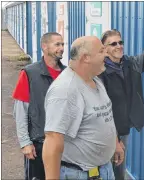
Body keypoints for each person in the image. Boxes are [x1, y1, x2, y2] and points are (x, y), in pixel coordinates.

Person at [98, 20, 144, 179]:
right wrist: (113, 138)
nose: (119, 46)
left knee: (119, 167)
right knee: (104, 169)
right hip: (105, 130)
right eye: (113, 44)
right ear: (104, 49)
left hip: (124, 127)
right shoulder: (99, 72)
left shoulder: (130, 63)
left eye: (120, 42)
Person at [42, 36, 121, 180]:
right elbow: (53, 140)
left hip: (103, 170)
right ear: (86, 58)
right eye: (101, 51)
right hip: (80, 174)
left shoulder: (95, 79)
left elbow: (104, 115)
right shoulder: (65, 90)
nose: (106, 54)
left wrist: (115, 143)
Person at [12, 32, 65, 180]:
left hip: (64, 144)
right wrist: (25, 143)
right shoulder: (29, 73)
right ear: (44, 46)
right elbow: (20, 111)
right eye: (57, 44)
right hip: (39, 144)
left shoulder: (67, 74)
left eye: (62, 44)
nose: (61, 48)